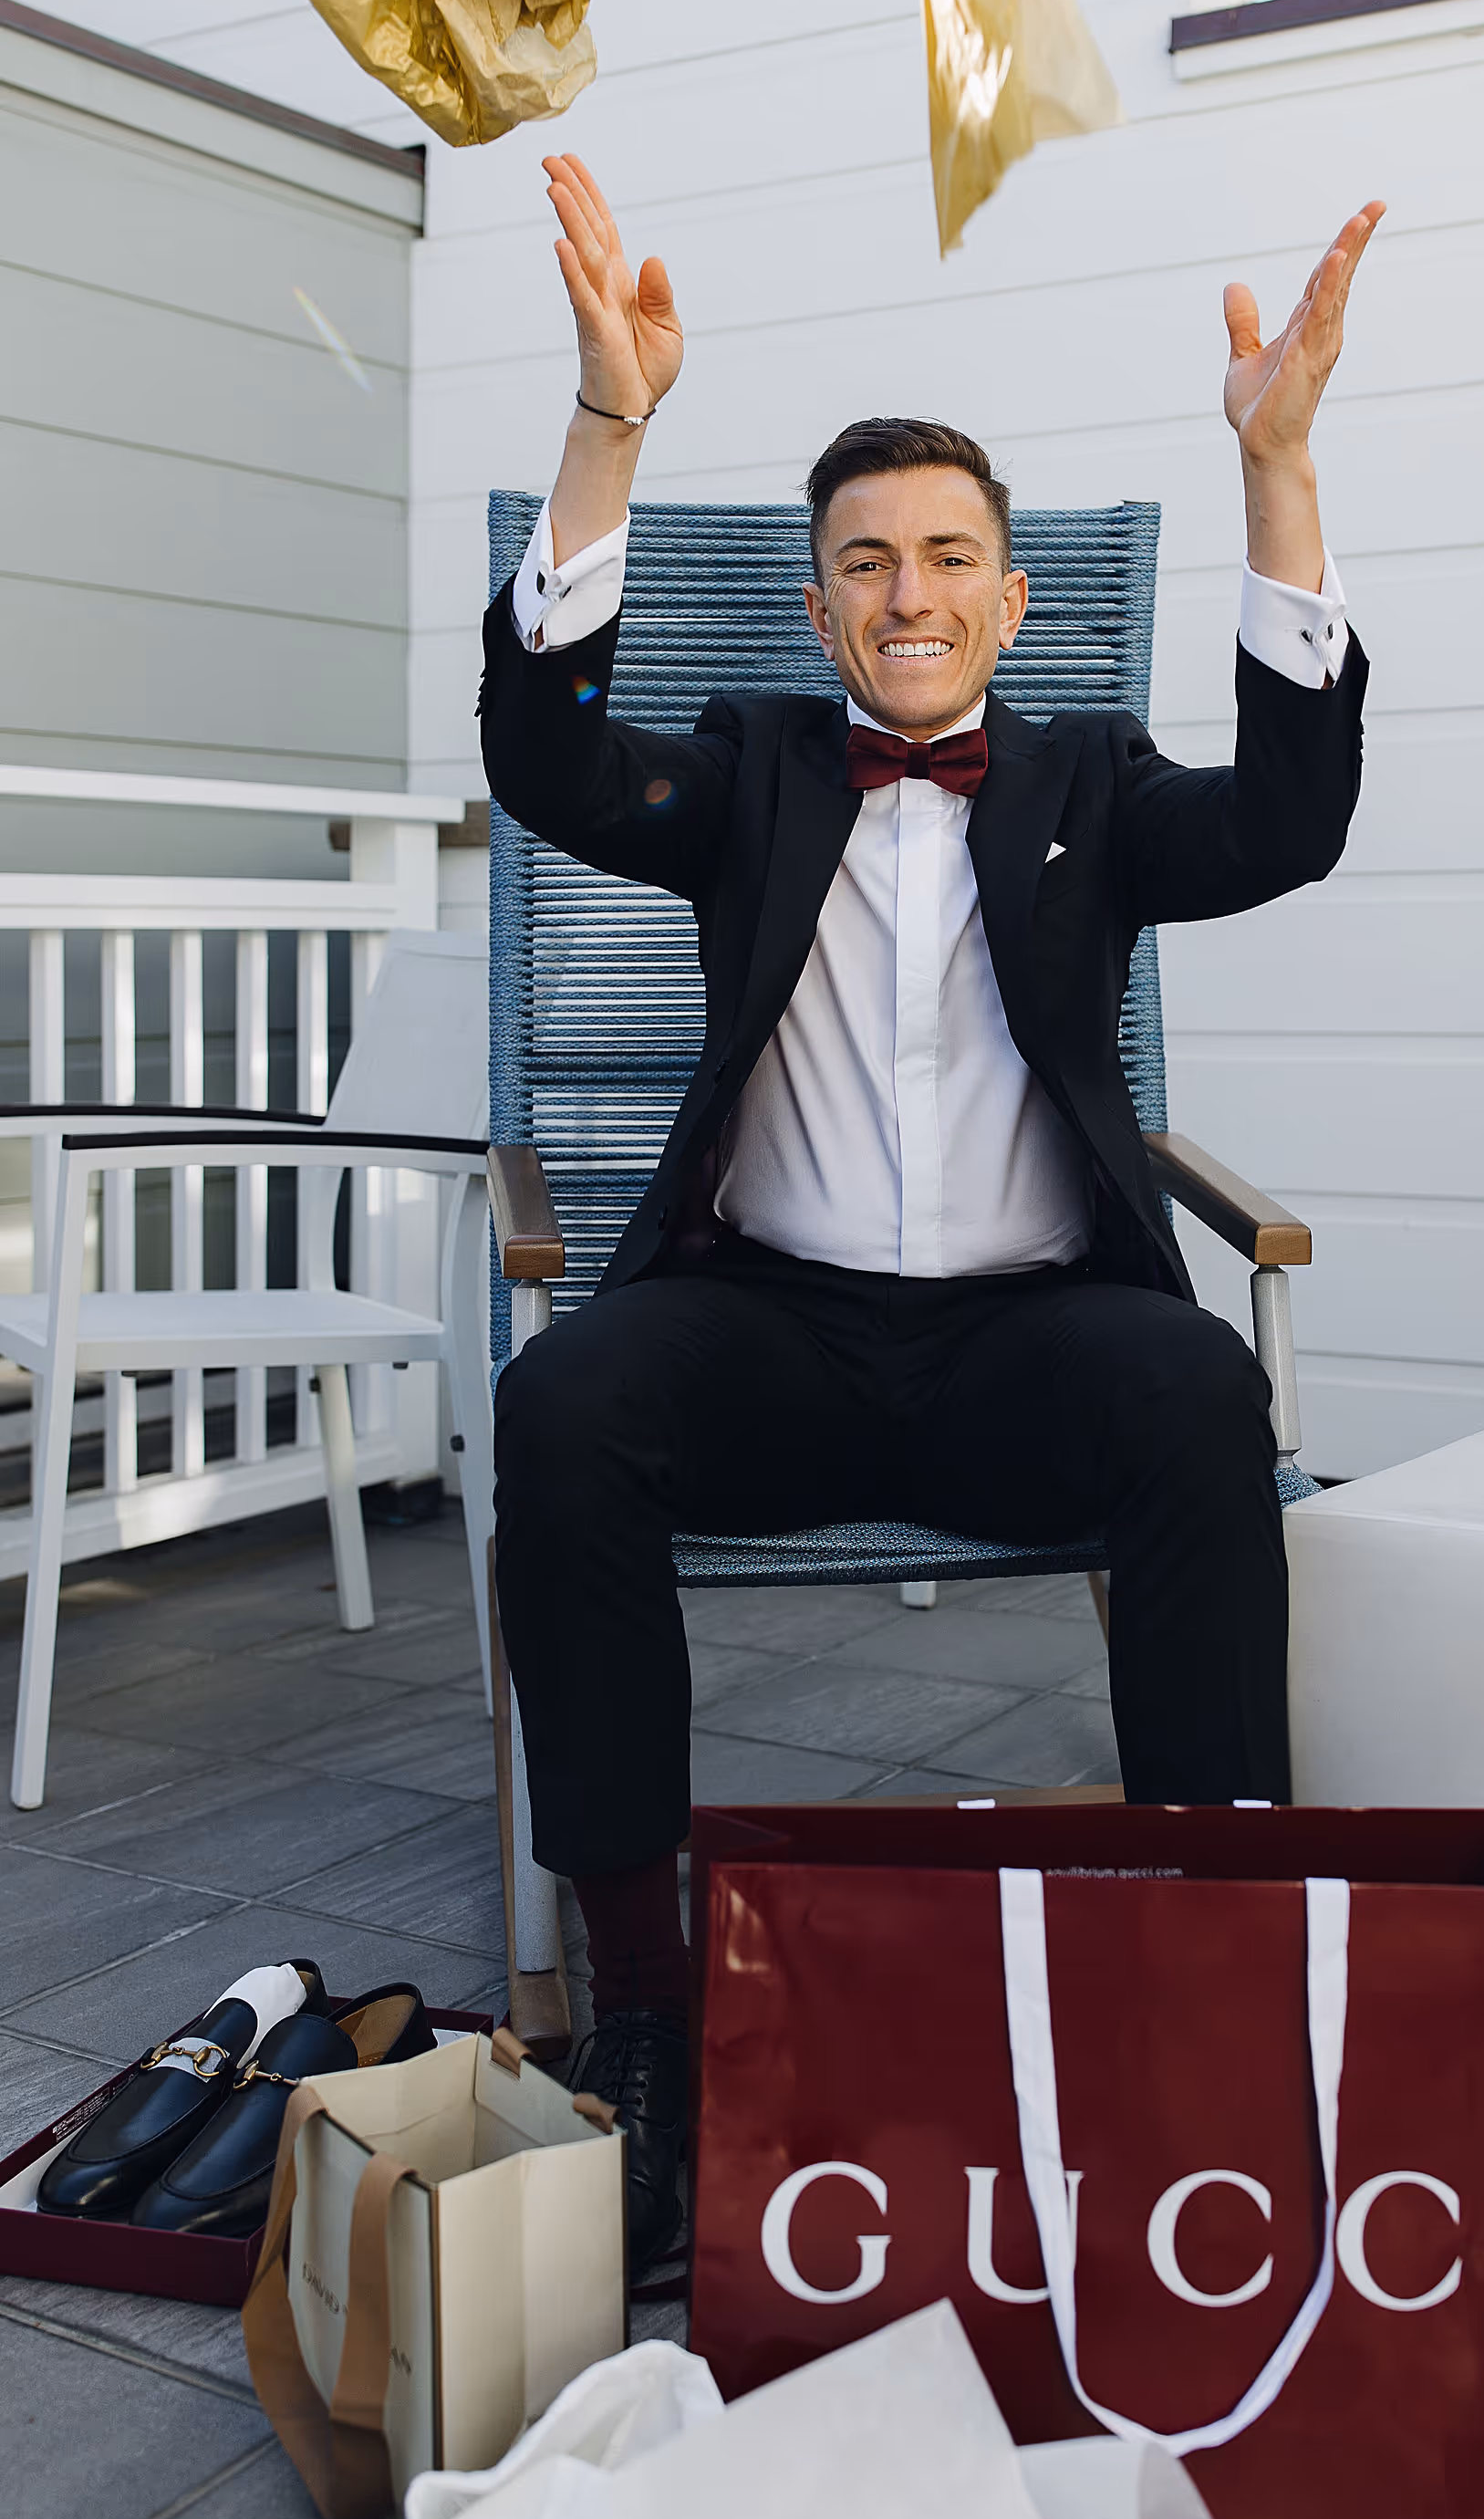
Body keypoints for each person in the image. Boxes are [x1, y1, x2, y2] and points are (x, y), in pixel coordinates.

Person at [482, 153, 1381, 2262]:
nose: (906, 596)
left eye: (947, 561)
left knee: (1189, 1397)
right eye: (864, 563)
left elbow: (1293, 817)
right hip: (769, 1331)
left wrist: (1279, 474)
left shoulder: (1083, 783)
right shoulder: (756, 766)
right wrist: (610, 422)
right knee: (567, 1409)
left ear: (1010, 602)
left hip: (1022, 1340)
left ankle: (1207, 1957)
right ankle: (644, 1993)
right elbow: (548, 762)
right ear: (816, 607)